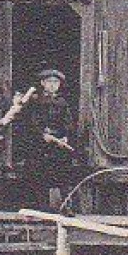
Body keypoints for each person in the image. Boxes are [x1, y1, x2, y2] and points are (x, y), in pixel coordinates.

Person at [14, 68, 76, 209]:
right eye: (49, 81)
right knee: (39, 174)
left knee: (62, 174)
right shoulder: (35, 101)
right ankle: (40, 207)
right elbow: (30, 121)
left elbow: (68, 122)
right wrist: (42, 135)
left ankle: (65, 207)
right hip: (39, 144)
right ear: (42, 83)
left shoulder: (62, 102)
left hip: (58, 143)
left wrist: (65, 136)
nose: (53, 84)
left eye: (56, 82)